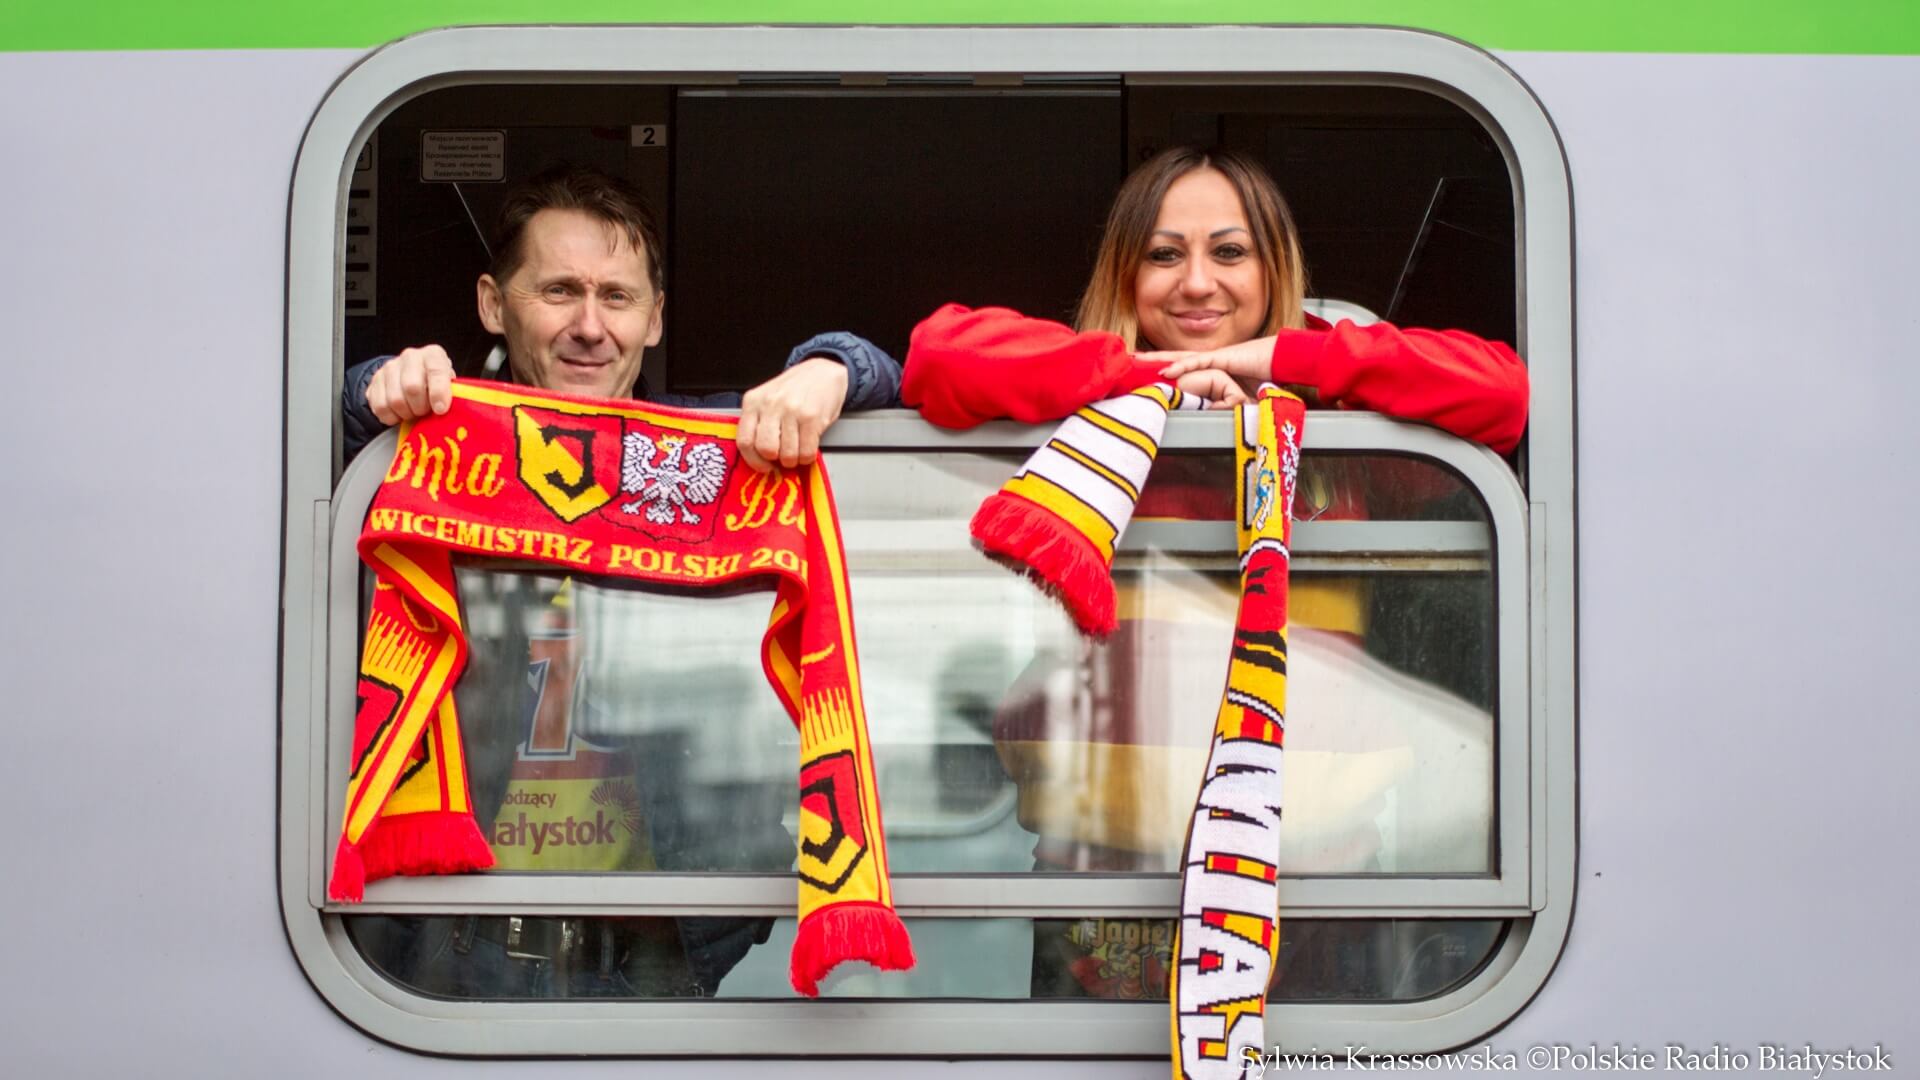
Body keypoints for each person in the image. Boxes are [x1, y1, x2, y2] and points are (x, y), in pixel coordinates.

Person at [894, 145, 1529, 1000]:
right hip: (1102, 891)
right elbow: (940, 356)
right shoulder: (1091, 414)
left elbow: (1503, 393)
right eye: (1164, 254)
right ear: (1127, 275)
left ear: (1274, 271)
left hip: (1316, 883)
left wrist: (1279, 364)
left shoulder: (1340, 427)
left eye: (1229, 252)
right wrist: (1160, 383)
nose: (1197, 283)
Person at [342, 164, 901, 1000]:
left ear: (655, 318)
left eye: (617, 297)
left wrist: (833, 367)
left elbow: (909, 383)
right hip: (445, 950)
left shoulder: (706, 455)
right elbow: (301, 433)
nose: (590, 328)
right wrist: (374, 388)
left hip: (653, 963)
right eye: (559, 291)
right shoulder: (437, 442)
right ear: (493, 304)